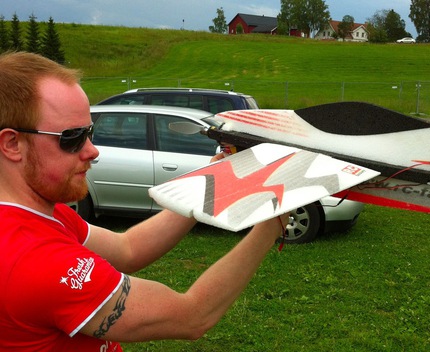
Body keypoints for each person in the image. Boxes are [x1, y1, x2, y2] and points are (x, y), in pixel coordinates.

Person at [0, 51, 288, 351]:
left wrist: (216, 176)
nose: (92, 150)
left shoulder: (39, 214)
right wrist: (273, 224)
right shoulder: (34, 262)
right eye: (71, 138)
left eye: (89, 132)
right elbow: (192, 315)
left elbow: (128, 249)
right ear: (12, 144)